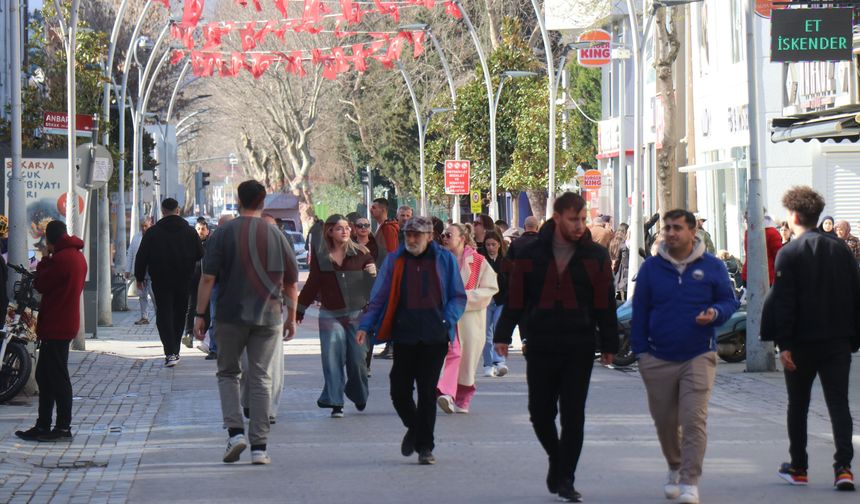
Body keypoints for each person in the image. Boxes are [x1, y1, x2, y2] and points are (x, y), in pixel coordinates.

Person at [494, 192, 618, 503]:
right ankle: (556, 457)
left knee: (573, 414)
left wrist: (610, 342)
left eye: (582, 219)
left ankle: (566, 478)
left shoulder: (595, 256)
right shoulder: (530, 252)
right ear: (557, 217)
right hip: (540, 343)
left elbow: (605, 304)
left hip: (579, 344)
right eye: (573, 219)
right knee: (540, 413)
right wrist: (503, 333)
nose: (579, 225)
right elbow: (516, 297)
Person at [631, 209, 739, 504]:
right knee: (666, 422)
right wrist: (640, 354)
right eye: (667, 227)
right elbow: (639, 310)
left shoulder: (713, 266)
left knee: (694, 418)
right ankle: (674, 465)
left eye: (677, 227)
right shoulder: (652, 268)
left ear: (693, 232)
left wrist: (716, 314)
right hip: (657, 356)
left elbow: (729, 301)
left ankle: (690, 480)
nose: (670, 232)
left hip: (698, 353)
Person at [194, 180, 298, 466]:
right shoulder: (277, 234)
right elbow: (291, 281)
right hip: (269, 316)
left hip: (229, 315)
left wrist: (200, 314)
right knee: (262, 377)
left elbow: (207, 277)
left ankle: (235, 432)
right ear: (264, 202)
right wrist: (291, 316)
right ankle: (259, 447)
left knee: (229, 373)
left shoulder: (223, 232)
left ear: (238, 199)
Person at [762, 186, 859, 492]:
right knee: (839, 404)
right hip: (838, 342)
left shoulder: (789, 253)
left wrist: (784, 343)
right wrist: (853, 338)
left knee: (798, 404)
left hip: (801, 343)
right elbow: (856, 295)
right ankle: (844, 468)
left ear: (792, 215)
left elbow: (784, 301)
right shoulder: (842, 250)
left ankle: (799, 467)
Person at [356, 216, 467, 465]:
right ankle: (416, 428)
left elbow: (458, 297)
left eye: (417, 235)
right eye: (408, 234)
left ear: (429, 236)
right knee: (399, 390)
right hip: (404, 335)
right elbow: (380, 296)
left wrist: (445, 321)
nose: (412, 239)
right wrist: (366, 325)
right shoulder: (396, 260)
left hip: (434, 335)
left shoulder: (443, 259)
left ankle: (425, 447)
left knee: (427, 392)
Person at [298, 215, 376, 418]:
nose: (345, 231)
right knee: (332, 358)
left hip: (356, 314)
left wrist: (372, 274)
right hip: (330, 314)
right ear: (330, 232)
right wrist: (299, 309)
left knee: (357, 359)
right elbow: (312, 284)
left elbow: (373, 287)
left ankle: (358, 393)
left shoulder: (362, 253)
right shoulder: (322, 256)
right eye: (339, 228)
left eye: (347, 228)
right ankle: (335, 402)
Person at [15, 220, 86, 442]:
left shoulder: (62, 259)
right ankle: (43, 425)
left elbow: (42, 284)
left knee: (57, 377)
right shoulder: (76, 256)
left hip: (58, 324)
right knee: (45, 376)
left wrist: (45, 257)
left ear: (51, 240)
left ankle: (62, 428)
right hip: (62, 322)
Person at [436, 223, 498, 414]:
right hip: (445, 318)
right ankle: (446, 392)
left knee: (468, 361)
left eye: (449, 235)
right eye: (443, 235)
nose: (444, 238)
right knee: (453, 352)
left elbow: (490, 288)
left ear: (461, 238)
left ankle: (462, 397)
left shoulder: (478, 261)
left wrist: (465, 297)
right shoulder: (438, 260)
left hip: (469, 320)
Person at [135, 200, 203, 367]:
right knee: (180, 313)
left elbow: (141, 256)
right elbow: (200, 253)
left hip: (160, 280)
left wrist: (139, 277)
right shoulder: (189, 232)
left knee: (163, 313)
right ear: (178, 210)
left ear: (163, 211)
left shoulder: (153, 233)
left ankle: (170, 352)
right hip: (183, 279)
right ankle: (175, 349)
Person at [239, 213, 288, 424]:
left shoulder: (283, 253)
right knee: (247, 366)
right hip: (242, 316)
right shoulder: (242, 251)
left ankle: (269, 409)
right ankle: (249, 400)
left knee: (273, 365)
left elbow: (292, 285)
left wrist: (293, 317)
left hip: (272, 315)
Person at [370, 198, 401, 360]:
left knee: (389, 311)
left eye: (374, 207)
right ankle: (389, 346)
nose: (370, 210)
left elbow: (391, 252)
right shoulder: (382, 227)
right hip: (385, 274)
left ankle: (392, 346)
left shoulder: (388, 229)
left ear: (382, 210)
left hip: (388, 274)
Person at [480, 230, 508, 377]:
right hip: (485, 301)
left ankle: (500, 362)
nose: (490, 247)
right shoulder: (481, 260)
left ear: (499, 244)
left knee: (499, 330)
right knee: (486, 335)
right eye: (488, 244)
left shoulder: (505, 260)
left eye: (493, 244)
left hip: (501, 301)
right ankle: (488, 364)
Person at [184, 219, 211, 351]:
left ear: (207, 231)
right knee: (190, 307)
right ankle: (188, 334)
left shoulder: (210, 245)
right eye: (198, 229)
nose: (200, 231)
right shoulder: (189, 244)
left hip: (205, 282)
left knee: (206, 309)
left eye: (203, 229)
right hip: (192, 281)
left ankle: (205, 336)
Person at [125, 216, 155, 325]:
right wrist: (128, 269)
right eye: (142, 226)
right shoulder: (136, 237)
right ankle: (144, 317)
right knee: (142, 295)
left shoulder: (155, 236)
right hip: (140, 272)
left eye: (146, 226)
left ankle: (159, 316)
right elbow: (131, 254)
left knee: (153, 295)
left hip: (152, 272)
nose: (143, 228)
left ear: (150, 225)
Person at [742, 214, 782, 286]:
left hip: (749, 275)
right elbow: (778, 257)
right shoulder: (772, 232)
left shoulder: (748, 232)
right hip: (767, 277)